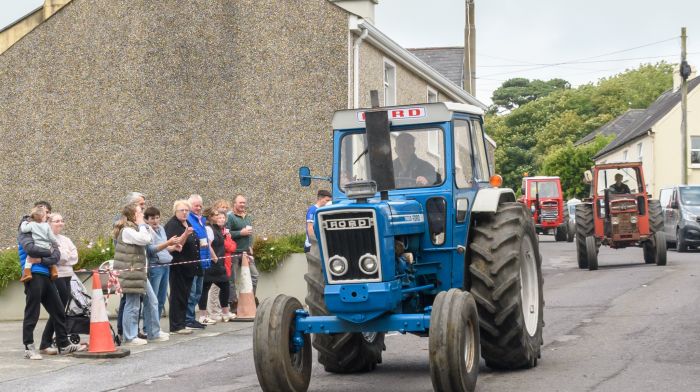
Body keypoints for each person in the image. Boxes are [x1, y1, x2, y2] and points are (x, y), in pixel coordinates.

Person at [18, 201, 85, 359]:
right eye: (46, 212)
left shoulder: (45, 231)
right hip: (32, 275)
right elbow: (30, 249)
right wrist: (48, 252)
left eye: (49, 212)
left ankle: (63, 344)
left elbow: (56, 255)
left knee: (58, 310)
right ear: (37, 213)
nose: (48, 215)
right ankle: (29, 347)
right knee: (32, 312)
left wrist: (42, 258)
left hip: (46, 274)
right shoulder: (26, 229)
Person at [112, 203, 168, 345]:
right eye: (140, 212)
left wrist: (143, 226)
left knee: (152, 300)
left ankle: (153, 332)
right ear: (133, 215)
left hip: (139, 272)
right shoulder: (126, 231)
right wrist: (143, 225)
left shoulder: (136, 228)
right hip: (131, 273)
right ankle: (129, 336)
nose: (142, 214)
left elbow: (151, 237)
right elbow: (145, 239)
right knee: (133, 304)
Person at [38, 212, 79, 354]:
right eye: (56, 221)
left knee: (58, 311)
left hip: (68, 275)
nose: (60, 223)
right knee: (58, 311)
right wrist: (63, 255)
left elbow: (75, 257)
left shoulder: (65, 239)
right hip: (57, 276)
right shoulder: (48, 239)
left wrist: (63, 255)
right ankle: (54, 343)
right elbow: (55, 257)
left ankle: (45, 343)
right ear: (49, 223)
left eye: (62, 220)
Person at [164, 200, 196, 335]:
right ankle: (176, 325)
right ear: (175, 212)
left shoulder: (187, 223)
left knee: (186, 294)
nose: (184, 213)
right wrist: (185, 235)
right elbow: (177, 246)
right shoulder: (172, 225)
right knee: (178, 295)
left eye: (186, 210)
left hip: (189, 265)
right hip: (178, 265)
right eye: (181, 210)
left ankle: (183, 322)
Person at [198, 209, 235, 323]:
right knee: (205, 288)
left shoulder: (218, 229)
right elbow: (207, 245)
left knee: (224, 285)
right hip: (213, 263)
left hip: (218, 263)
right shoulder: (209, 228)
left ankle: (225, 312)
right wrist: (214, 258)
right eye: (215, 215)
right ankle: (203, 315)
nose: (218, 217)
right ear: (210, 217)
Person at [144, 207, 181, 318]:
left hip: (166, 264)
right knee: (152, 299)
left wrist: (173, 247)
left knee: (161, 299)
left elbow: (164, 248)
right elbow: (151, 250)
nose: (155, 221)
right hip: (155, 266)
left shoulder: (161, 228)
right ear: (146, 220)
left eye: (157, 218)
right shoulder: (146, 230)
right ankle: (148, 328)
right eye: (152, 218)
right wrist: (168, 243)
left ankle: (157, 326)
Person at [185, 194, 214, 329]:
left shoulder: (201, 220)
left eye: (200, 205)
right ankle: (188, 319)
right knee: (192, 292)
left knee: (198, 292)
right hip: (194, 261)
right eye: (196, 205)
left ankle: (191, 318)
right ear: (190, 206)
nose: (198, 207)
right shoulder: (189, 219)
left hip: (203, 259)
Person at [226, 194, 259, 310]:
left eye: (244, 202)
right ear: (234, 204)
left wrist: (250, 245)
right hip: (234, 253)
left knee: (255, 275)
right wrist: (241, 233)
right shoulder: (229, 217)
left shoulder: (247, 216)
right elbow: (227, 234)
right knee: (232, 280)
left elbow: (250, 234)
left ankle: (250, 300)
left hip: (246, 252)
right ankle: (234, 304)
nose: (242, 205)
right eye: (240, 202)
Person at [19, 206, 59, 282]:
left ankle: (27, 273)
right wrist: (55, 243)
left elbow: (24, 230)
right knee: (49, 256)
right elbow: (51, 236)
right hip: (47, 247)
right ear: (43, 217)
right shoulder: (47, 225)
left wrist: (24, 223)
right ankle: (54, 271)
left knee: (29, 259)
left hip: (37, 246)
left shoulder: (31, 224)